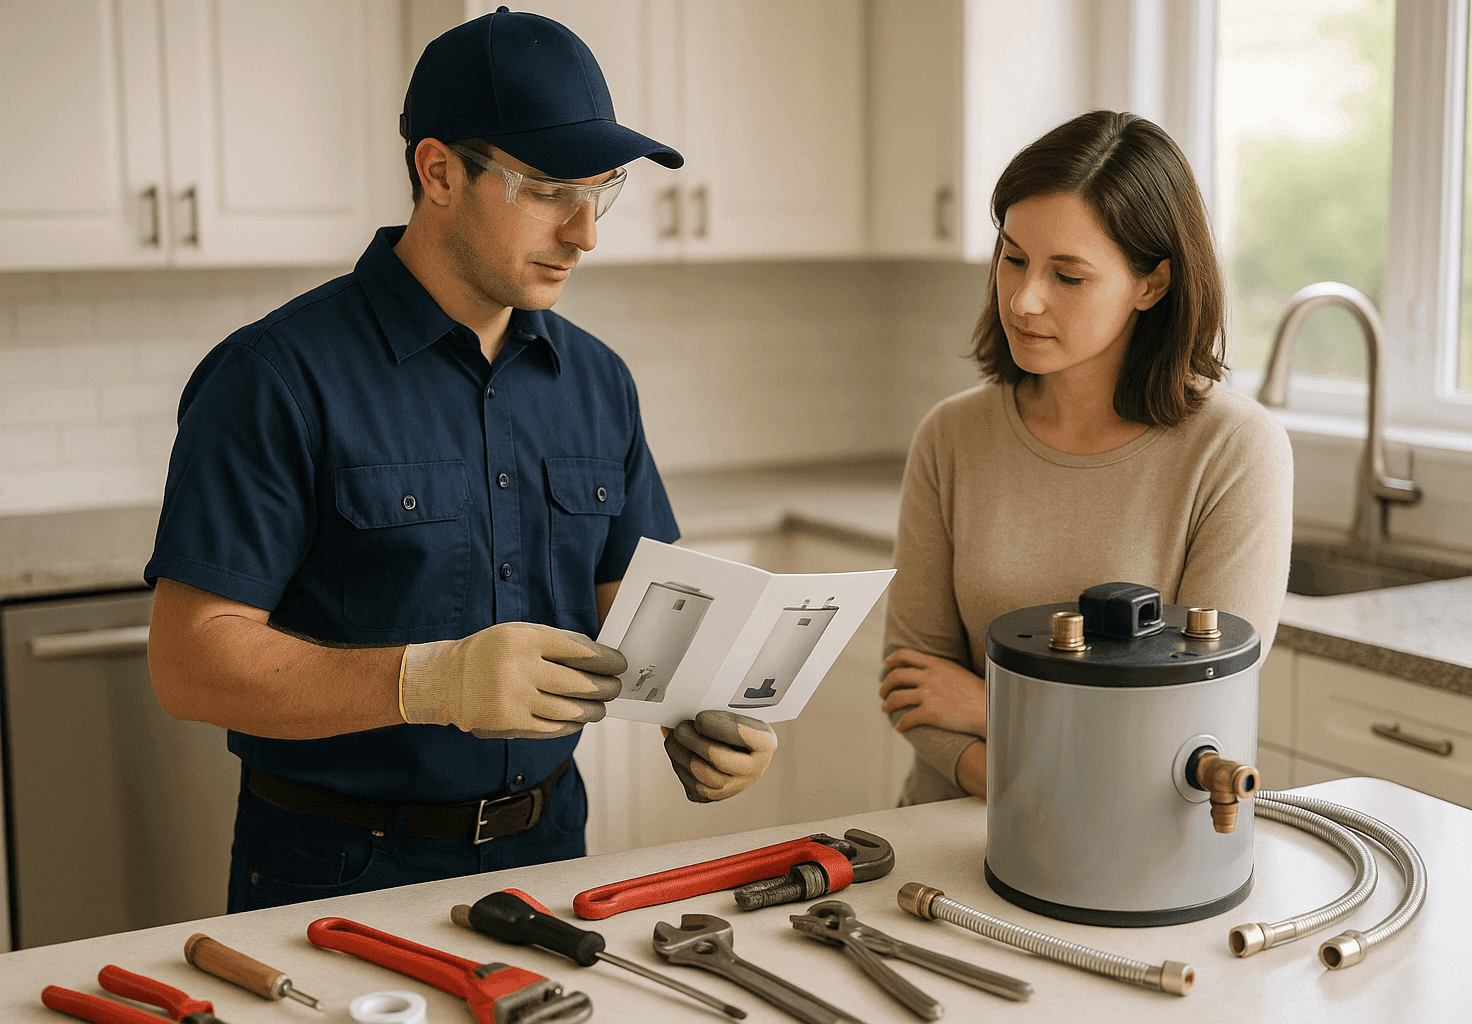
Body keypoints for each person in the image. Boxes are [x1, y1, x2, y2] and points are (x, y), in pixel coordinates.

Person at [144, 9, 776, 912]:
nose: (585, 232)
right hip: (336, 871)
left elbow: (635, 612)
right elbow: (189, 663)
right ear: (437, 170)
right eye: (550, 189)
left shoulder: (598, 381)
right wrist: (428, 681)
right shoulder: (274, 377)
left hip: (554, 852)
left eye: (601, 190)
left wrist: (705, 716)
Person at [878, 110, 1293, 804]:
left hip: (1131, 845)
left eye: (1067, 276)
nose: (1024, 297)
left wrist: (988, 710)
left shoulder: (1235, 451)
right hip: (943, 833)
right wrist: (1040, 773)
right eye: (1013, 258)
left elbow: (1196, 719)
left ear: (1151, 285)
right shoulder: (951, 436)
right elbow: (912, 684)